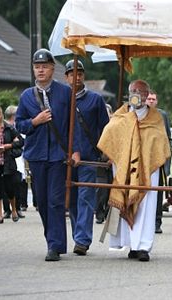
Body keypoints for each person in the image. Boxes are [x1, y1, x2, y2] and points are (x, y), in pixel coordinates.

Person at [16, 48, 81, 261]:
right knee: (41, 202)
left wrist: (76, 150)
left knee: (55, 200)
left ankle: (55, 246)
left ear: (53, 69)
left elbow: (75, 125)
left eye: (44, 66)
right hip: (36, 154)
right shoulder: (26, 96)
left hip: (58, 155)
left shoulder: (65, 93)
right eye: (37, 67)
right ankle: (51, 240)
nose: (41, 70)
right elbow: (19, 125)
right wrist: (35, 121)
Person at [98, 79, 170, 262]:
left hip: (147, 171)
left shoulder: (156, 119)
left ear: (147, 95)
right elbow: (110, 134)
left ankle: (143, 246)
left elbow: (160, 142)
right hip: (123, 168)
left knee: (145, 206)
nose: (137, 94)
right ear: (129, 94)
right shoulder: (120, 117)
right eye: (134, 90)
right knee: (124, 197)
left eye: (141, 91)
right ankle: (131, 244)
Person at [65, 59, 110, 256]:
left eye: (80, 73)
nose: (77, 77)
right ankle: (78, 234)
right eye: (72, 73)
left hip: (89, 157)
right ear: (66, 77)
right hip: (66, 157)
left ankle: (82, 240)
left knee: (86, 197)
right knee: (71, 199)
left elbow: (106, 127)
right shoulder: (62, 99)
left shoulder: (95, 99)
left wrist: (106, 151)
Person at [146, 90, 172, 234]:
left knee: (157, 194)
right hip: (143, 161)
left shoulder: (162, 115)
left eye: (153, 99)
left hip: (159, 161)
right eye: (148, 99)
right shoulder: (140, 114)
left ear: (156, 101)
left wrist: (166, 162)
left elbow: (168, 138)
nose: (150, 101)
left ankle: (157, 222)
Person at [4, 105, 27, 218]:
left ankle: (16, 208)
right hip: (6, 159)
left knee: (17, 184)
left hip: (17, 158)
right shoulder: (4, 127)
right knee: (5, 184)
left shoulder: (17, 127)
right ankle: (7, 209)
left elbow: (21, 142)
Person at [95, 103, 113, 225]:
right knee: (101, 189)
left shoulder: (115, 126)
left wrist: (112, 158)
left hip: (113, 161)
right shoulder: (96, 126)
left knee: (112, 189)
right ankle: (99, 213)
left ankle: (108, 212)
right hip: (99, 161)